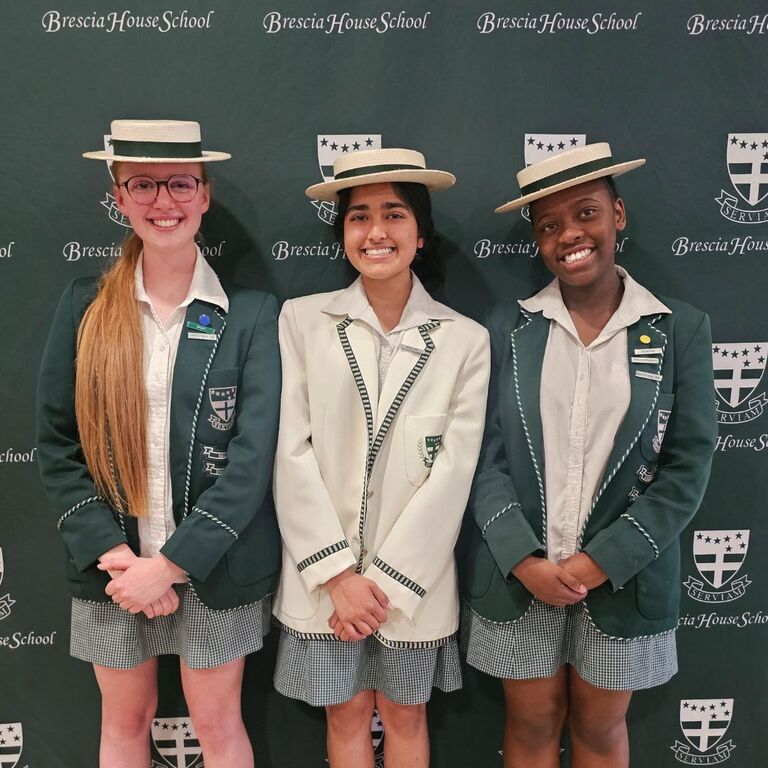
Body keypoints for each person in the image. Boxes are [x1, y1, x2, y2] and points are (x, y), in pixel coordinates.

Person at [459, 142, 717, 768]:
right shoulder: (508, 326)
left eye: (586, 213)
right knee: (530, 724)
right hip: (521, 577)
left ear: (618, 215)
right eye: (549, 225)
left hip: (623, 579)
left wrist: (604, 560)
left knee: (601, 731)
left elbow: (686, 466)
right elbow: (483, 454)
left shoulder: (679, 328)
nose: (569, 234)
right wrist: (522, 558)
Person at [37, 119, 281, 768]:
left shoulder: (250, 314)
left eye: (179, 184)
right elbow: (57, 445)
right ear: (118, 197)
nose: (163, 201)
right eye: (142, 185)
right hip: (112, 570)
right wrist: (122, 561)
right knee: (124, 723)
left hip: (215, 566)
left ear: (204, 194)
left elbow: (251, 460)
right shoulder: (85, 306)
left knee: (218, 725)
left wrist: (170, 565)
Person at [272, 147, 490, 768]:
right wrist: (339, 578)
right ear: (342, 233)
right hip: (325, 586)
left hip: (413, 586)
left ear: (420, 234)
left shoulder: (464, 340)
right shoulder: (303, 321)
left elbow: (453, 473)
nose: (375, 232)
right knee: (344, 715)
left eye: (394, 215)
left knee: (405, 715)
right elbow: (291, 452)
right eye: (358, 217)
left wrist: (386, 586)